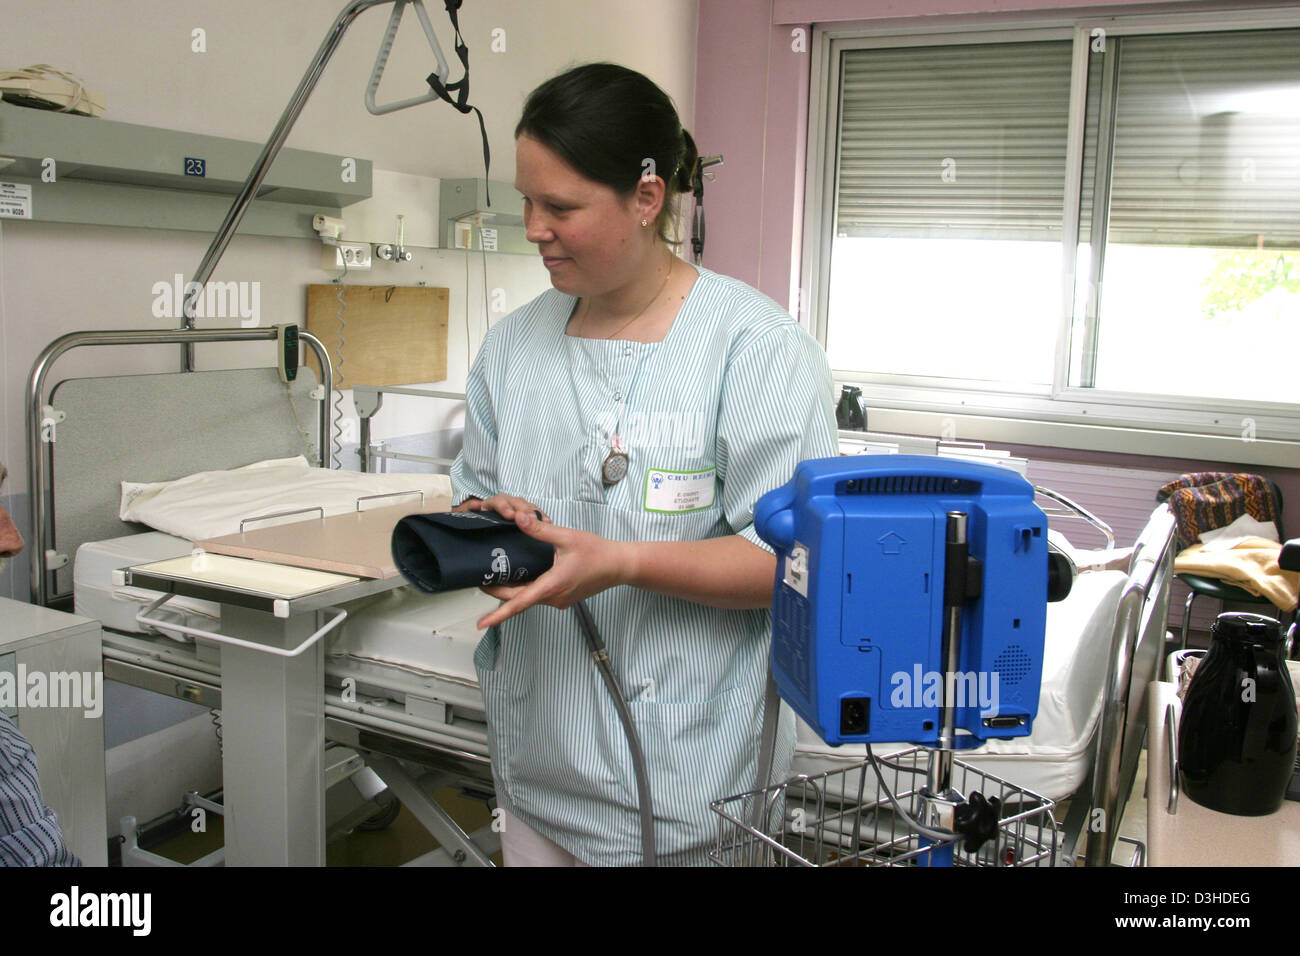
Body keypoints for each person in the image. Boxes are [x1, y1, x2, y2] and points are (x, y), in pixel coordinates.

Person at [450, 63, 836, 866]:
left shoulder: (756, 351)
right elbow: (474, 506)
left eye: (560, 207)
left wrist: (620, 561)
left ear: (647, 198)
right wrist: (491, 538)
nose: (532, 228)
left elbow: (794, 562)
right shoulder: (511, 348)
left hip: (691, 778)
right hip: (537, 761)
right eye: (525, 200)